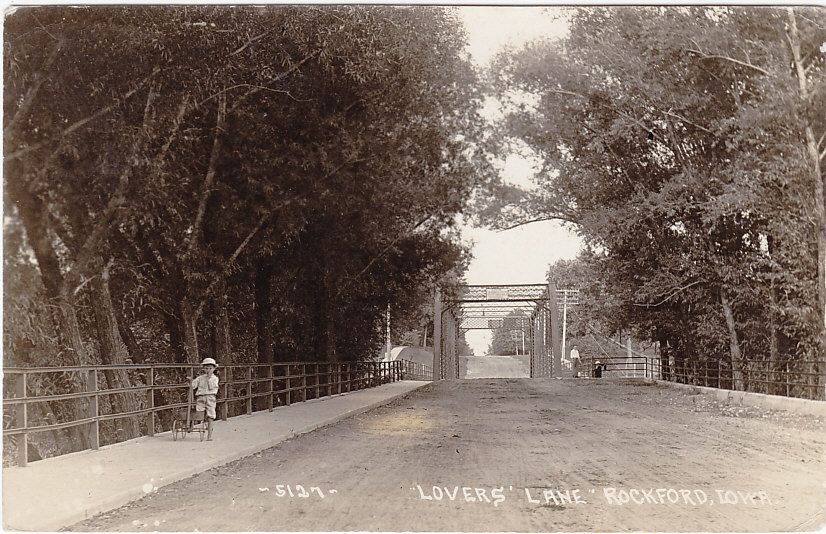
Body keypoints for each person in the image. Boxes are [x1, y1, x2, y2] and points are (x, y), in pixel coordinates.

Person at [191, 357, 219, 441]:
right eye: (206, 368)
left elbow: (212, 386)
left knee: (211, 415)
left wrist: (209, 377)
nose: (208, 370)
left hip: (210, 397)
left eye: (210, 368)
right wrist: (191, 382)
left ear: (214, 369)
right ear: (204, 369)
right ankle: (202, 425)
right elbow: (193, 385)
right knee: (199, 413)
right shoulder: (200, 378)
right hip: (201, 397)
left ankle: (209, 436)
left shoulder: (214, 378)